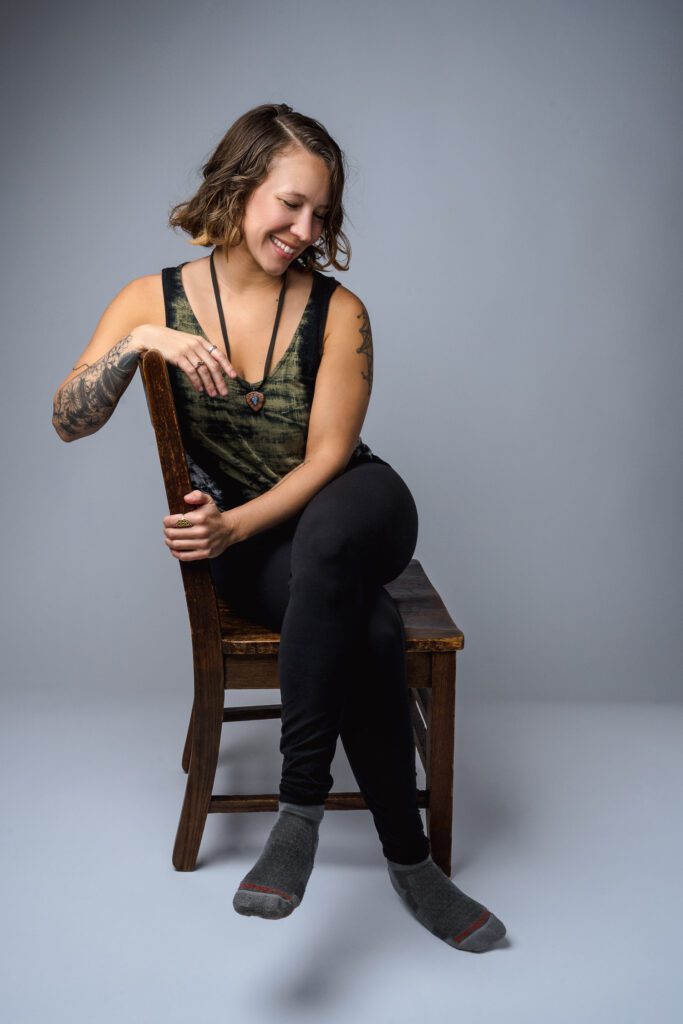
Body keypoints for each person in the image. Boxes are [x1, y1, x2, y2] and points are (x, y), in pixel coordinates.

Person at [51, 102, 506, 953]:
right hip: (258, 557)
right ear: (237, 187)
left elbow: (328, 458)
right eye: (289, 204)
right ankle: (412, 867)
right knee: (365, 623)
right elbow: (68, 420)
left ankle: (296, 811)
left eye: (320, 213)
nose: (305, 228)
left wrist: (226, 528)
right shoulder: (152, 299)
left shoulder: (340, 313)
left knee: (333, 539)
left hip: (351, 506)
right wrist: (143, 340)